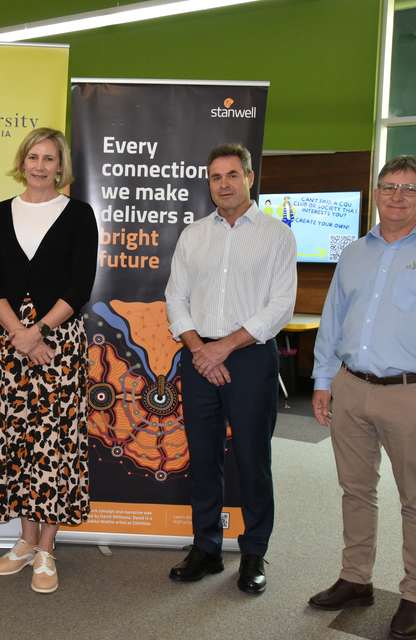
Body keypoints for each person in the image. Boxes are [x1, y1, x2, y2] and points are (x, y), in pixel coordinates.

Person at [307, 155, 416, 639]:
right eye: (389, 186)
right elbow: (332, 320)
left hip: (412, 395)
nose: (398, 196)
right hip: (351, 387)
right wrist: (324, 382)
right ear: (377, 192)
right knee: (356, 491)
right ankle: (355, 579)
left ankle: (415, 594)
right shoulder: (354, 252)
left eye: (410, 188)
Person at [164, 143, 296, 594]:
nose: (224, 184)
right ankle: (206, 548)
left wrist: (226, 347)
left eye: (233, 175)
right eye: (217, 177)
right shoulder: (193, 234)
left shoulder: (278, 235)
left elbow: (281, 306)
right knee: (202, 459)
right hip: (197, 356)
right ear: (209, 183)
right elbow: (174, 298)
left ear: (250, 178)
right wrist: (201, 348)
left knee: (251, 460)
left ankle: (254, 551)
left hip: (249, 357)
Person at [0, 127, 98, 595]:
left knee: (54, 441)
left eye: (50, 158)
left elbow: (80, 286)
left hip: (59, 341)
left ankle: (47, 546)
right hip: (10, 344)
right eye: (33, 156)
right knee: (18, 438)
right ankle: (24, 542)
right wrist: (19, 336)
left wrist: (38, 333)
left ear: (60, 165)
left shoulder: (79, 215)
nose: (41, 165)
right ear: (22, 161)